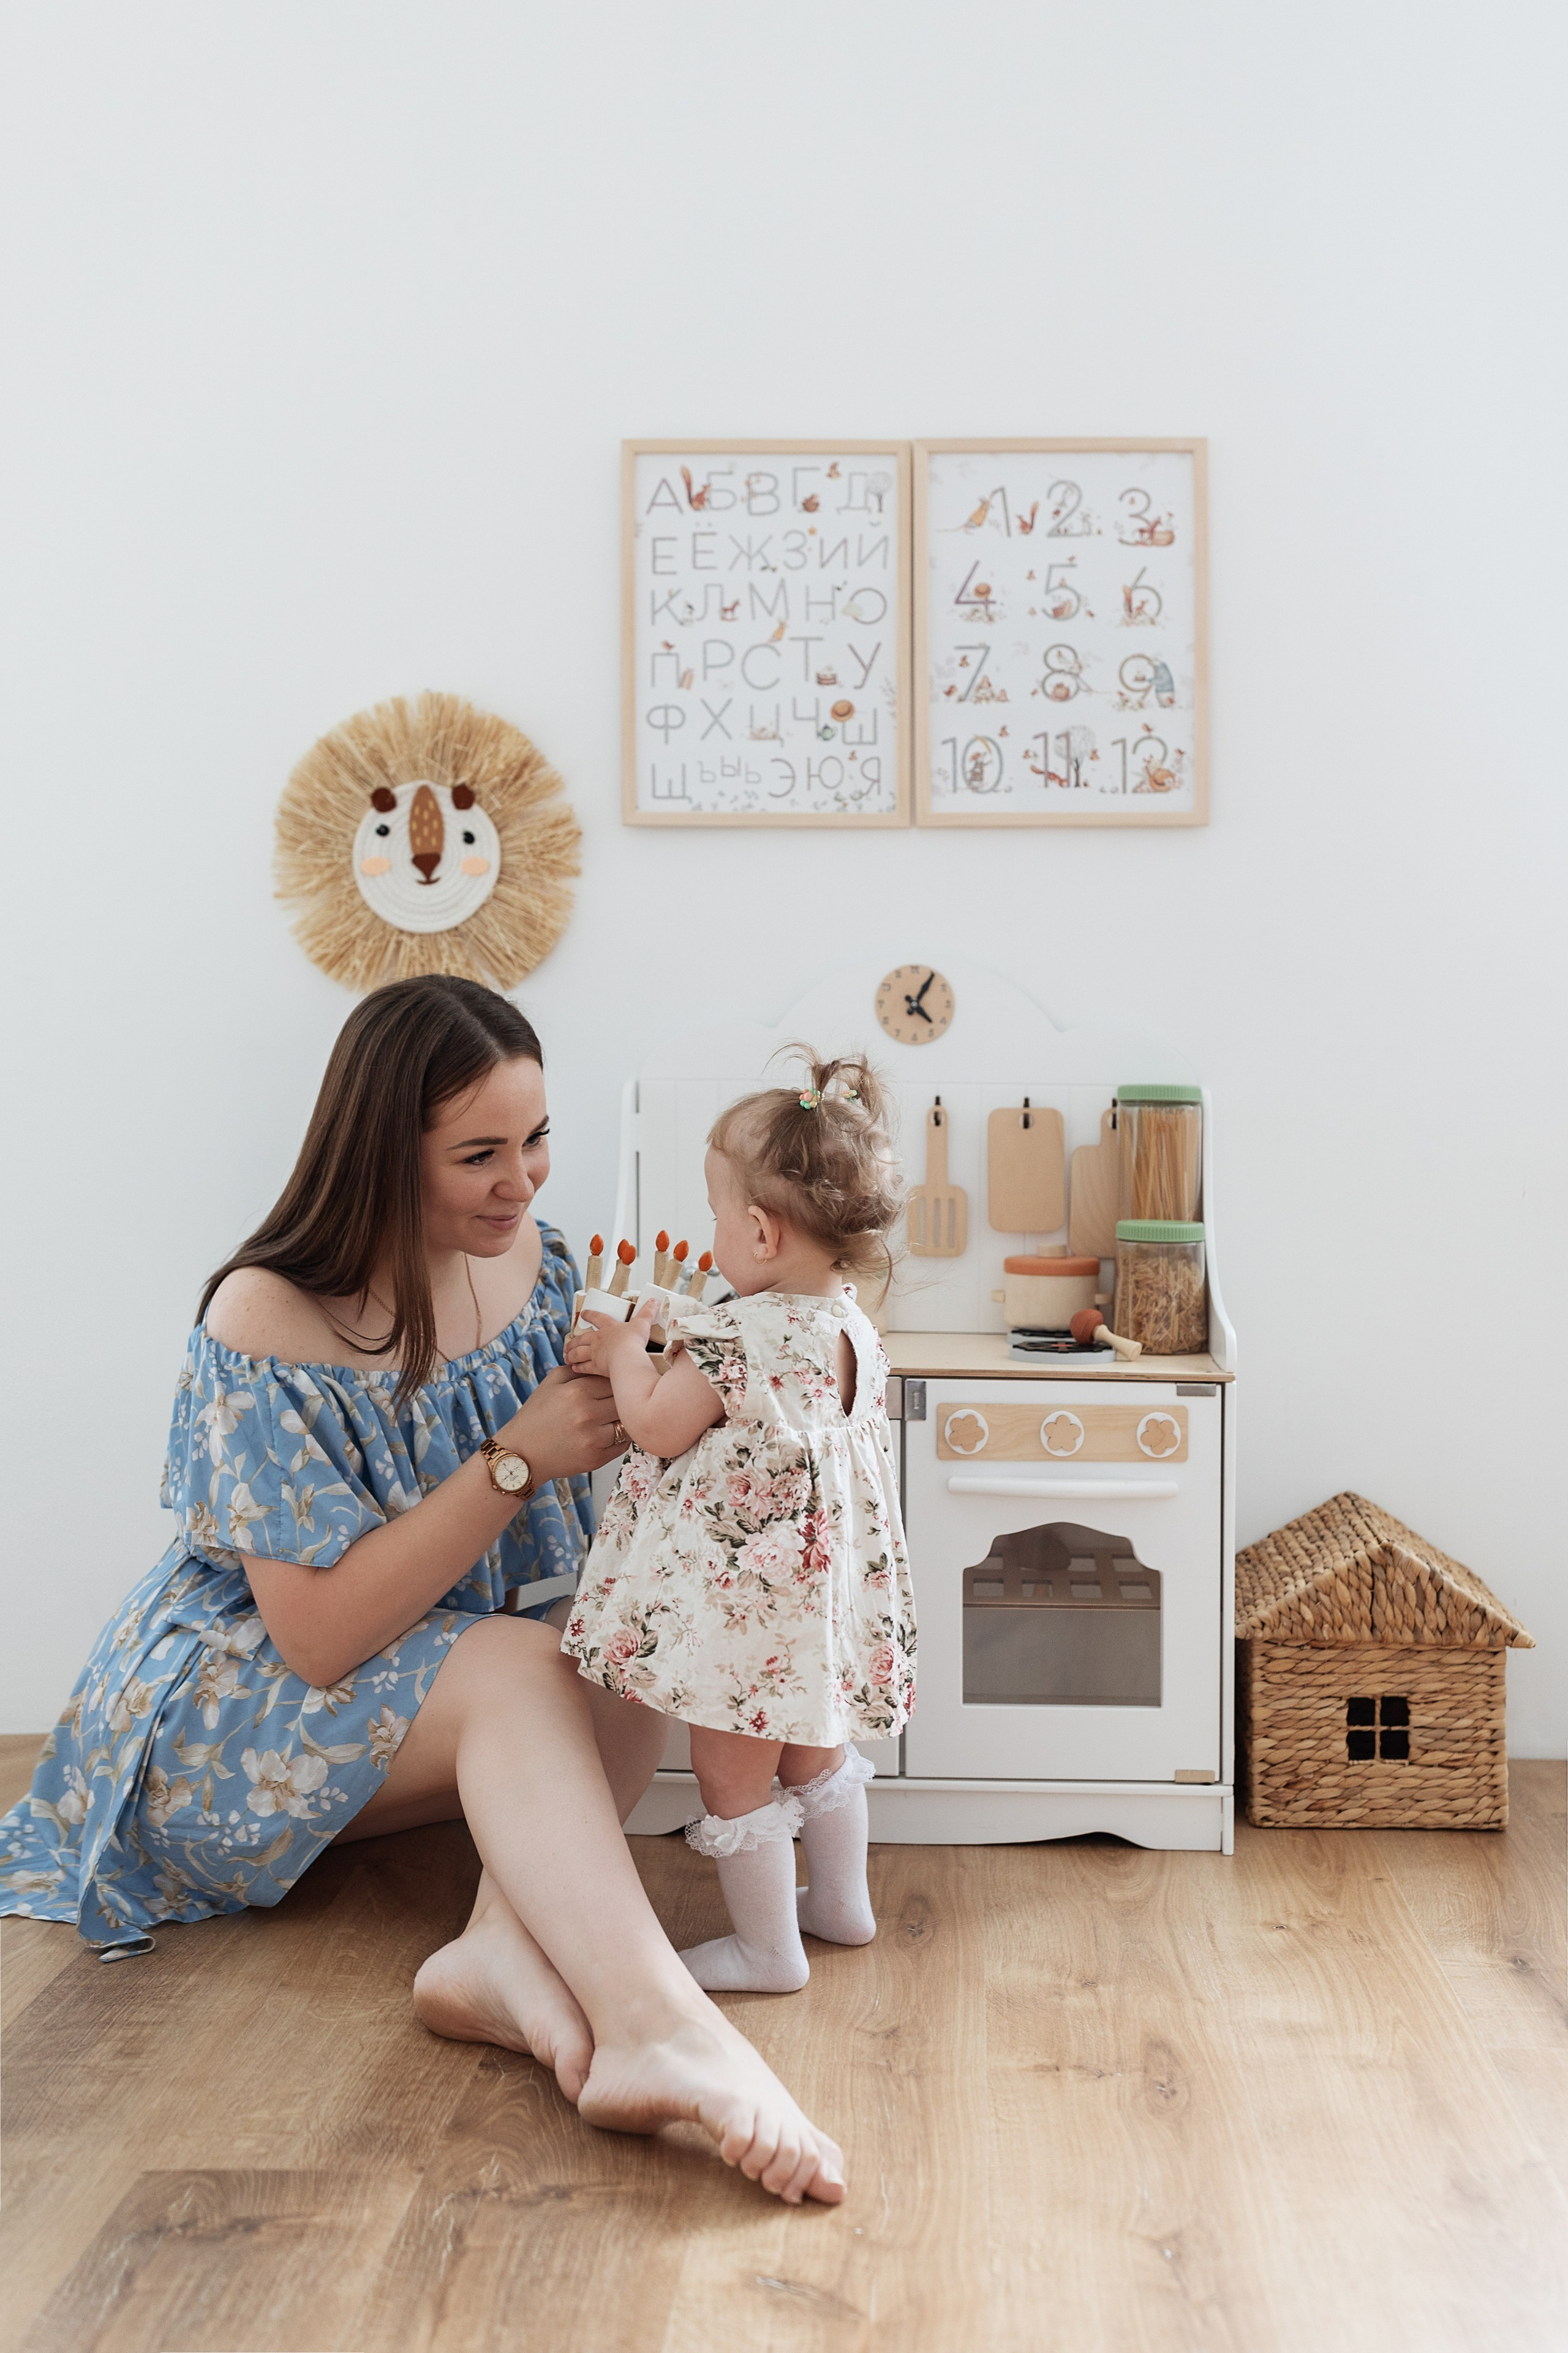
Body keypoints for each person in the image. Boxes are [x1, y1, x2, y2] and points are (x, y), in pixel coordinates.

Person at [0, 976, 845, 2206]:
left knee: (628, 1631)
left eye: (537, 1138)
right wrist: (512, 1460)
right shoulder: (267, 1315)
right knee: (518, 1660)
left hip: (417, 1682)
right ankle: (660, 2026)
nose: (524, 1179)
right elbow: (320, 1638)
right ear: (382, 1154)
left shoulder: (546, 1273)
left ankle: (501, 1952)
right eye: (479, 1154)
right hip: (227, 1712)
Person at [562, 1052, 917, 1996]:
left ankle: (768, 1951)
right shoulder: (847, 1326)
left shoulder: (745, 1337)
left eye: (718, 1215)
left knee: (733, 1774)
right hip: (816, 1611)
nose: (715, 1233)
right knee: (817, 1750)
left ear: (759, 1232)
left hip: (746, 1621)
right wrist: (679, 1331)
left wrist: (624, 1351)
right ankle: (840, 1901)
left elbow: (654, 1421)